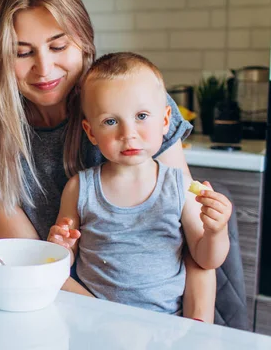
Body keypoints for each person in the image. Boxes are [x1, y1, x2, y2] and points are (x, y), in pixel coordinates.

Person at [0, 0, 216, 321]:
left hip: (175, 313)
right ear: (1, 57)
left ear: (83, 40)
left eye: (58, 46)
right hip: (73, 316)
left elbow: (191, 243)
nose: (44, 69)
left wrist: (196, 332)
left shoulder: (136, 105)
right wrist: (118, 328)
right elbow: (39, 265)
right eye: (23, 52)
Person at [47, 52, 232, 316]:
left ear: (166, 120)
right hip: (95, 326)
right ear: (91, 132)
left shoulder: (179, 186)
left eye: (142, 116)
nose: (128, 134)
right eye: (110, 121)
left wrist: (216, 231)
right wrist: (59, 249)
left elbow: (206, 259)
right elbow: (64, 263)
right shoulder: (79, 189)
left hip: (165, 331)